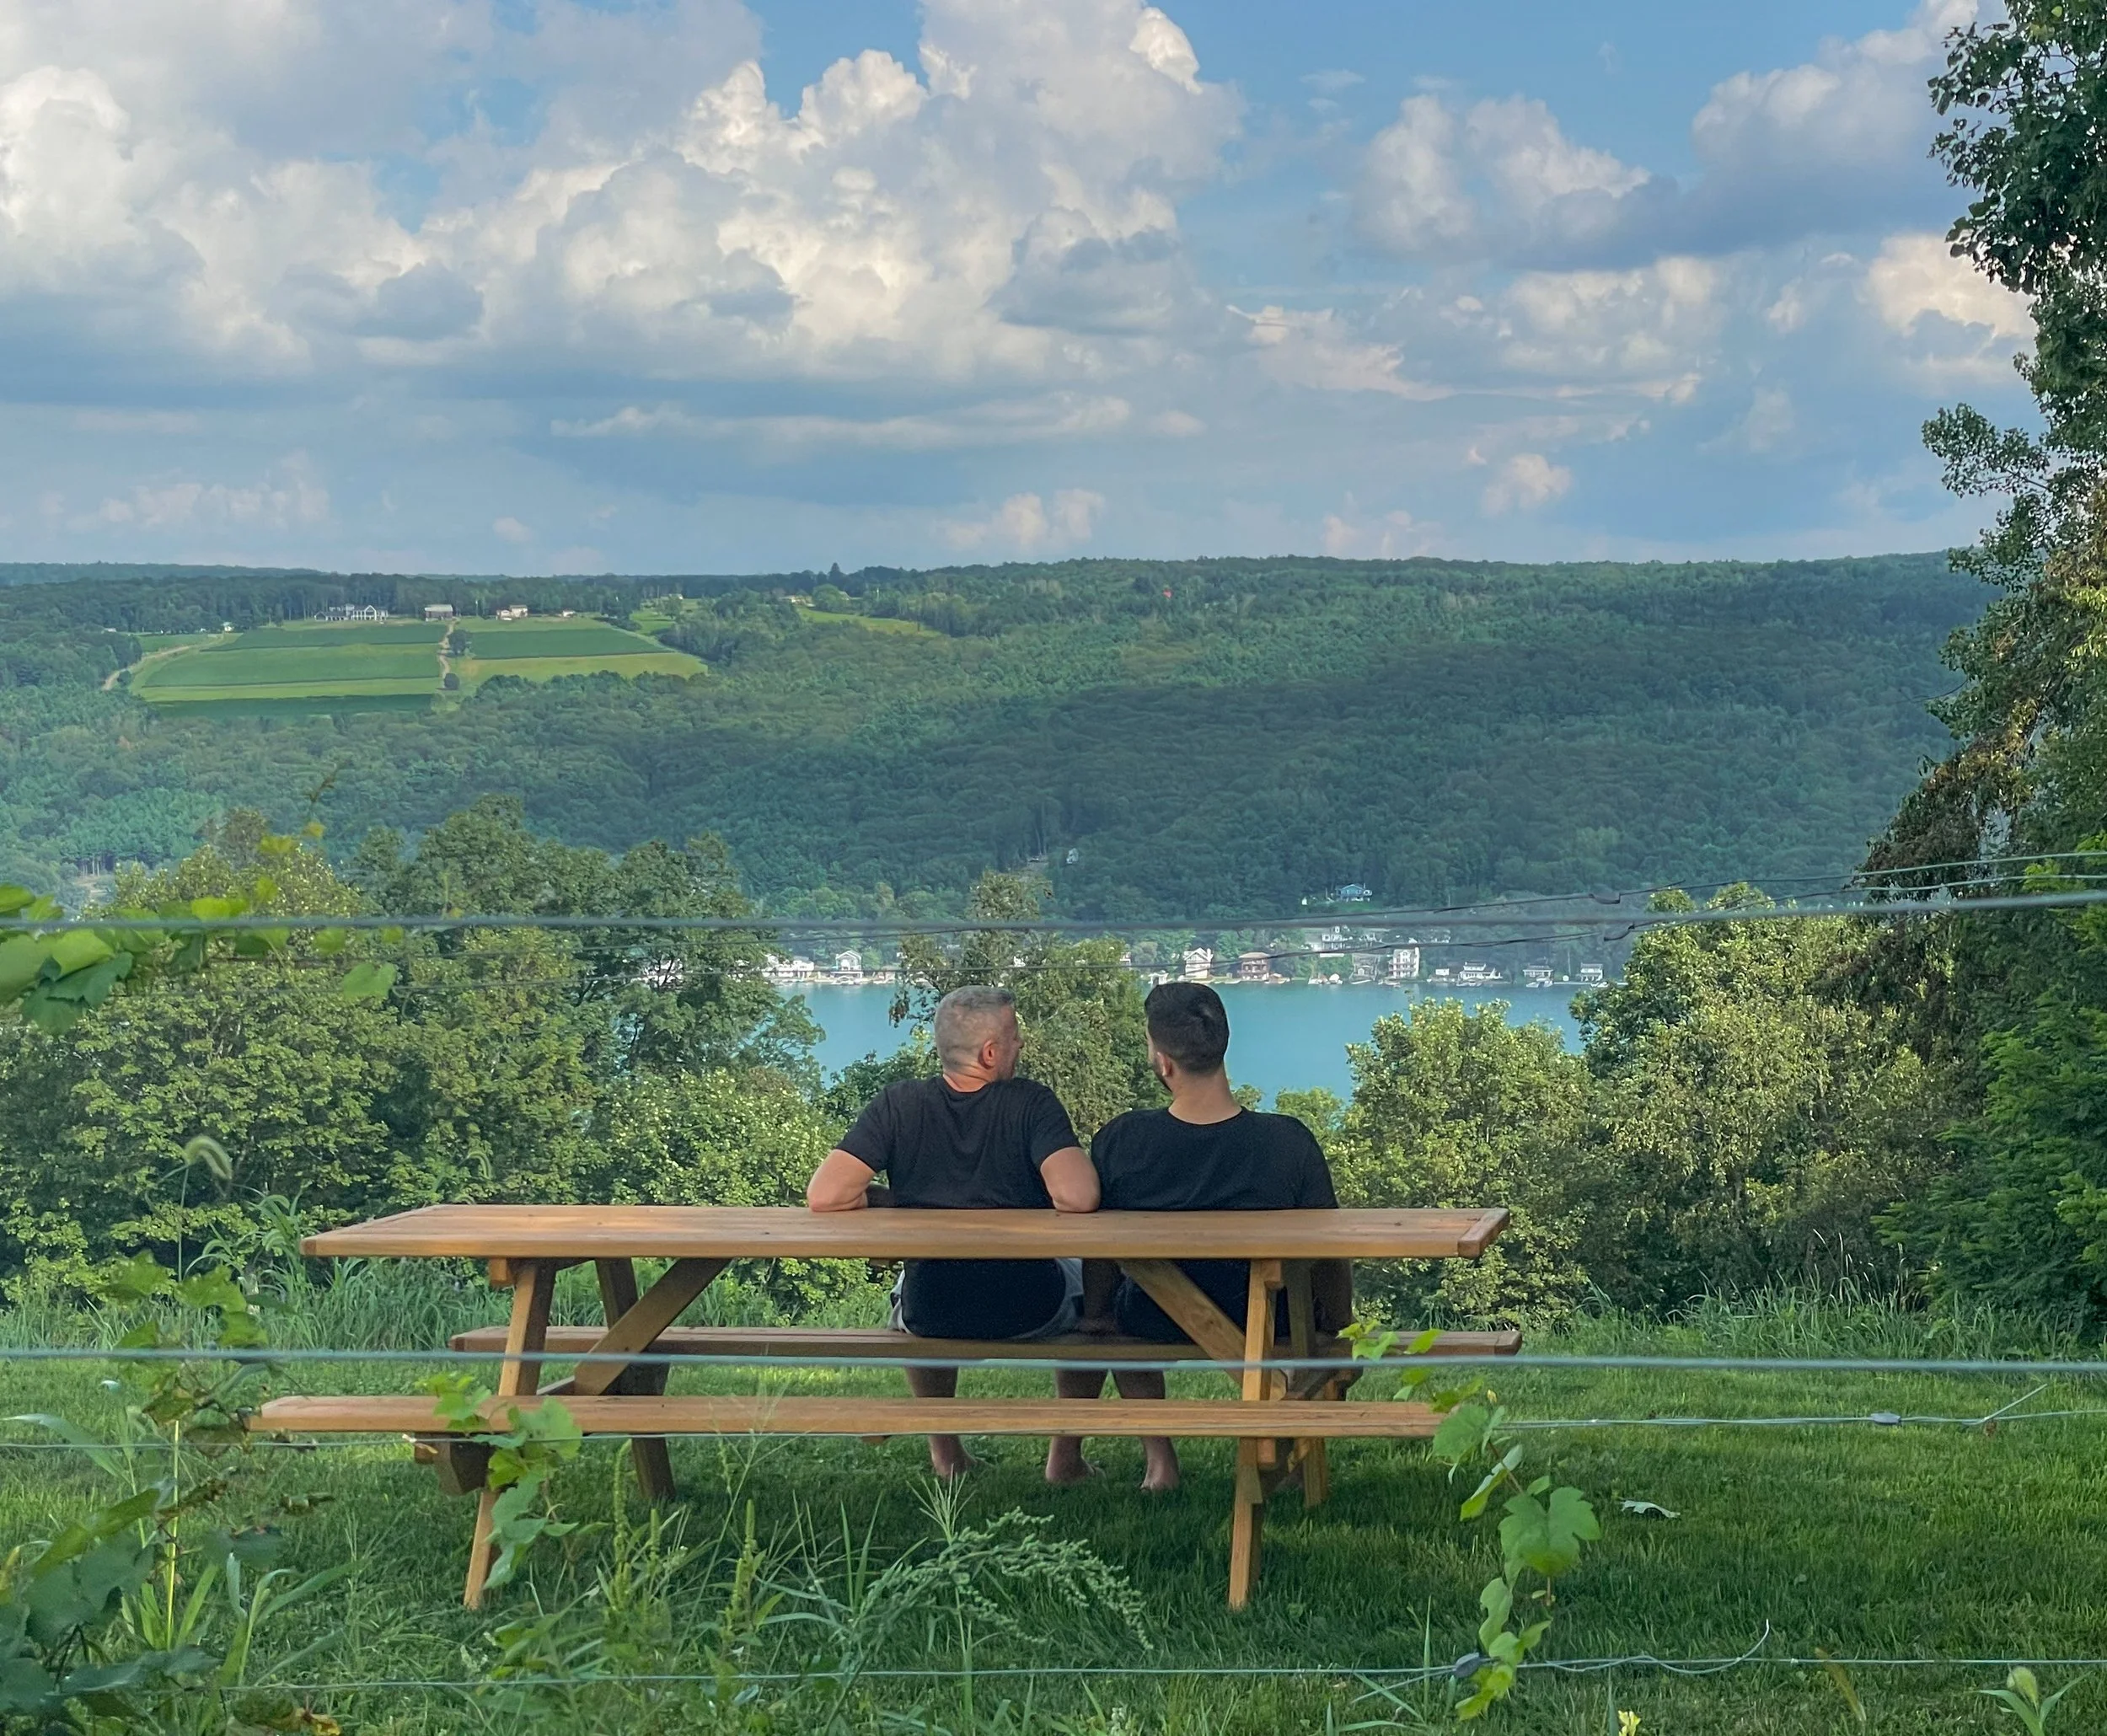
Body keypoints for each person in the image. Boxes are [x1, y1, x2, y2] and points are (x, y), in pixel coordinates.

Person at [806, 984, 1102, 1481]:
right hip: (1030, 1306)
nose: (1020, 1045)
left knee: (907, 1290)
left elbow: (825, 1195)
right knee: (1096, 1300)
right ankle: (1064, 1460)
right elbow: (1079, 1197)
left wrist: (895, 1197)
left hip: (933, 1309)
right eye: (1014, 1036)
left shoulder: (898, 1104)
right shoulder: (1031, 1104)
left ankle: (947, 1455)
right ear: (990, 1053)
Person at [1075, 979, 1349, 1492]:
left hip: (1153, 1318)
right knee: (1290, 1320)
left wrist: (1096, 1315)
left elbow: (1101, 1250)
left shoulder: (1122, 1139)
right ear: (1222, 1046)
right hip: (1272, 1322)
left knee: (1119, 1319)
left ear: (1163, 1061)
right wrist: (1338, 1323)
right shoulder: (1287, 1141)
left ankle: (1160, 1462)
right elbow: (1330, 1249)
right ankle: (1290, 1449)